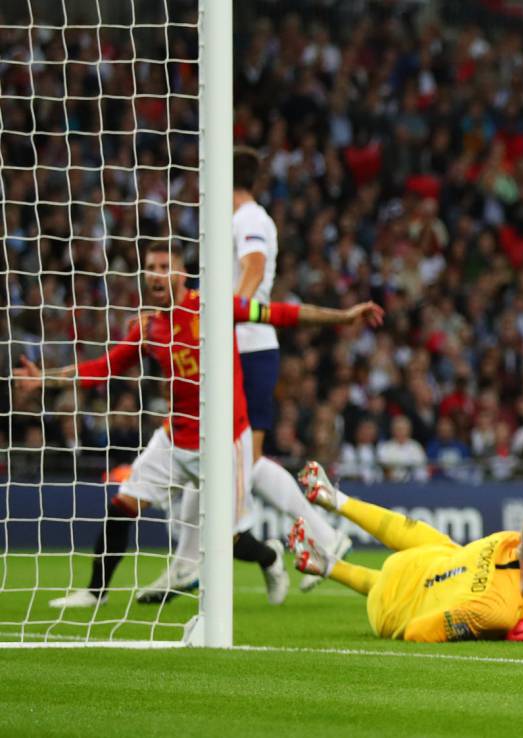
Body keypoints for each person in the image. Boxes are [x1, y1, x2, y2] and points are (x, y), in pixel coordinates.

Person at [14, 242, 383, 609]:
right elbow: (104, 368)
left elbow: (282, 313)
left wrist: (344, 316)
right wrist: (44, 378)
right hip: (176, 437)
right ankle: (96, 592)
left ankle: (270, 558)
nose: (156, 275)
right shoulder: (149, 327)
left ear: (182, 273)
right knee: (123, 504)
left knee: (227, 539)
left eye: (164, 267)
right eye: (151, 267)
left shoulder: (215, 307)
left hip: (224, 442)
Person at [232, 147, 352, 594]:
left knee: (246, 458)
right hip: (245, 345)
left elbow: (256, 266)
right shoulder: (241, 218)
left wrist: (233, 313)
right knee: (236, 456)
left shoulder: (248, 218)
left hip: (246, 345)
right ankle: (324, 536)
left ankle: (323, 536)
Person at [290, 461, 523, 643]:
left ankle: (337, 504)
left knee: (444, 548)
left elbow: (512, 590)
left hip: (417, 563)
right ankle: (326, 564)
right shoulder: (497, 611)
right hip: (387, 610)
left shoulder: (504, 541)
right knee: (430, 593)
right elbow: (417, 631)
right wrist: (501, 631)